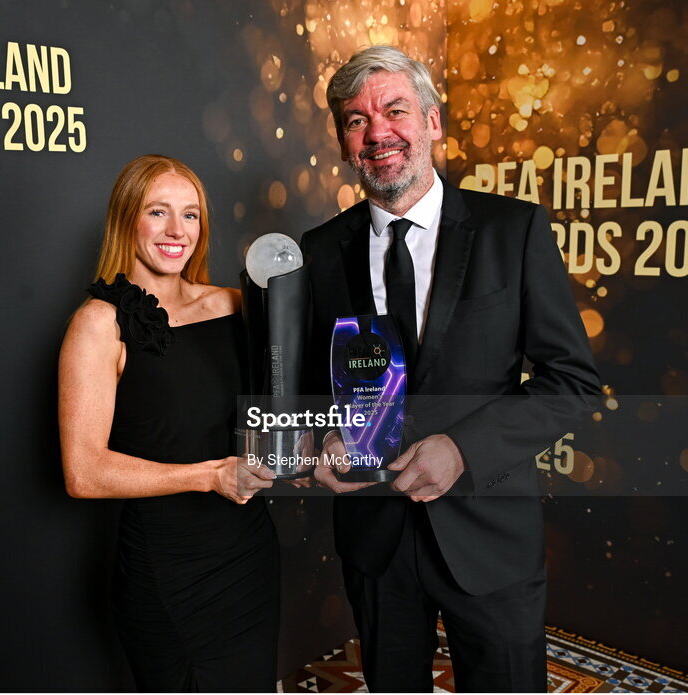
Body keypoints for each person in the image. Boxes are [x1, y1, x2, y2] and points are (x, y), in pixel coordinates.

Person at [300, 46, 602, 692]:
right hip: (378, 544)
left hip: (488, 538)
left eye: (394, 110)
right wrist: (320, 437)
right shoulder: (320, 252)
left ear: (434, 121)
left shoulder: (512, 231)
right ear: (344, 142)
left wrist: (462, 450)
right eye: (356, 120)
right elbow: (308, 386)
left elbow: (571, 383)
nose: (377, 132)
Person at [58, 154, 279, 692]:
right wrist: (208, 476)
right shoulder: (98, 324)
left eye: (191, 215)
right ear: (126, 218)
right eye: (158, 213)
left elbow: (273, 409)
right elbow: (83, 473)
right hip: (169, 571)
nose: (177, 231)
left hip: (248, 554)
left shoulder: (233, 304)